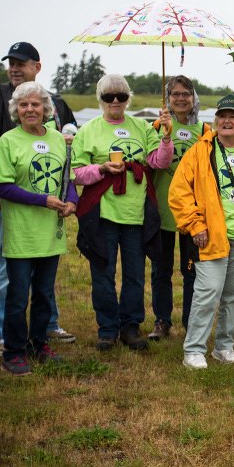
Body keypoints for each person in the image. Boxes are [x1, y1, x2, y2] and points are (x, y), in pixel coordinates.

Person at [0, 41, 78, 346]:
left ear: (37, 66)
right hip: (11, 196)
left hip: (49, 215)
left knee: (44, 281)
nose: (15, 68)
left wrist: (70, 199)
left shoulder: (56, 102)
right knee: (13, 272)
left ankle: (46, 327)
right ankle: (6, 333)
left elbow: (65, 163)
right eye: (11, 63)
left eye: (21, 63)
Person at [72, 74, 174, 352]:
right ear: (100, 99)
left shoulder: (142, 127)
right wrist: (102, 169)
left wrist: (166, 136)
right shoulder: (88, 131)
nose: (115, 101)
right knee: (102, 274)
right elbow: (76, 173)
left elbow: (159, 161)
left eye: (121, 96)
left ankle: (130, 326)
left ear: (128, 98)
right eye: (108, 96)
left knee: (134, 275)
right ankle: (107, 329)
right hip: (102, 214)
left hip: (136, 214)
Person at [168, 94, 234, 370]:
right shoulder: (200, 151)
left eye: (233, 116)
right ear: (216, 120)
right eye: (222, 116)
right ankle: (194, 350)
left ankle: (224, 346)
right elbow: (178, 193)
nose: (227, 121)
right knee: (208, 290)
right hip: (212, 234)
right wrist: (195, 224)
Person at [0, 82, 78, 376]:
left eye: (36, 104)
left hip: (49, 233)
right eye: (24, 105)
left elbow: (69, 179)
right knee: (17, 296)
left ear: (46, 109)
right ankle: (13, 351)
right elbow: (2, 186)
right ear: (16, 110)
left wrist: (72, 202)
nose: (30, 109)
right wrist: (42, 200)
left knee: (44, 294)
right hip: (21, 232)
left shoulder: (58, 140)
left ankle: (38, 343)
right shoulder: (8, 141)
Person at [149, 75, 211, 341]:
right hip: (162, 209)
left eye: (186, 93)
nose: (181, 98)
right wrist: (163, 132)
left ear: (193, 97)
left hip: (191, 213)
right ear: (168, 98)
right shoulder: (155, 126)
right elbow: (151, 163)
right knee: (160, 269)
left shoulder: (205, 130)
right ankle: (162, 320)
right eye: (175, 94)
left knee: (191, 270)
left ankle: (190, 320)